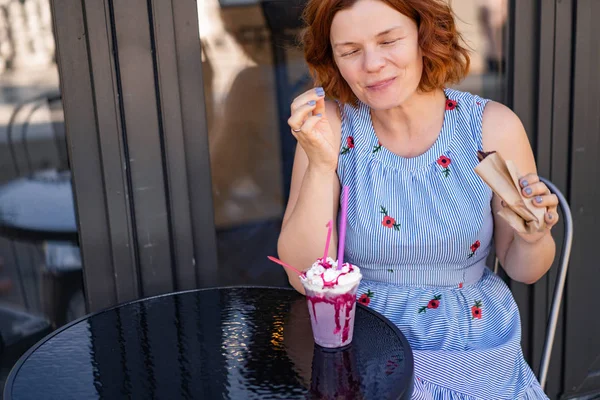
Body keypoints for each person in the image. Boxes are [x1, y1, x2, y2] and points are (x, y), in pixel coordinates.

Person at [277, 0, 558, 398]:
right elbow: (303, 276)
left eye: (389, 40)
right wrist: (322, 165)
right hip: (362, 344)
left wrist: (532, 237)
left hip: (471, 348)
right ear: (333, 60)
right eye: (350, 51)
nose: (371, 63)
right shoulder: (330, 128)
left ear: (424, 37)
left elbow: (525, 270)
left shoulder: (491, 127)